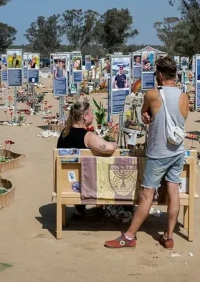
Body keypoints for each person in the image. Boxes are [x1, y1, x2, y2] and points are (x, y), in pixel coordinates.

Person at [105, 56, 189, 250]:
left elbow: (145, 114)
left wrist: (148, 115)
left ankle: (129, 236)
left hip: (158, 152)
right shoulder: (184, 97)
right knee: (173, 190)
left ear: (159, 74)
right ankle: (169, 236)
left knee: (147, 193)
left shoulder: (153, 95)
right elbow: (181, 118)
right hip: (177, 151)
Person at [57, 101, 117, 218]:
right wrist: (114, 142)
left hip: (66, 183)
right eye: (91, 113)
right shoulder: (87, 136)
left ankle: (79, 209)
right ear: (84, 116)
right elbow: (109, 148)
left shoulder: (64, 133)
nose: (93, 116)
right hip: (84, 185)